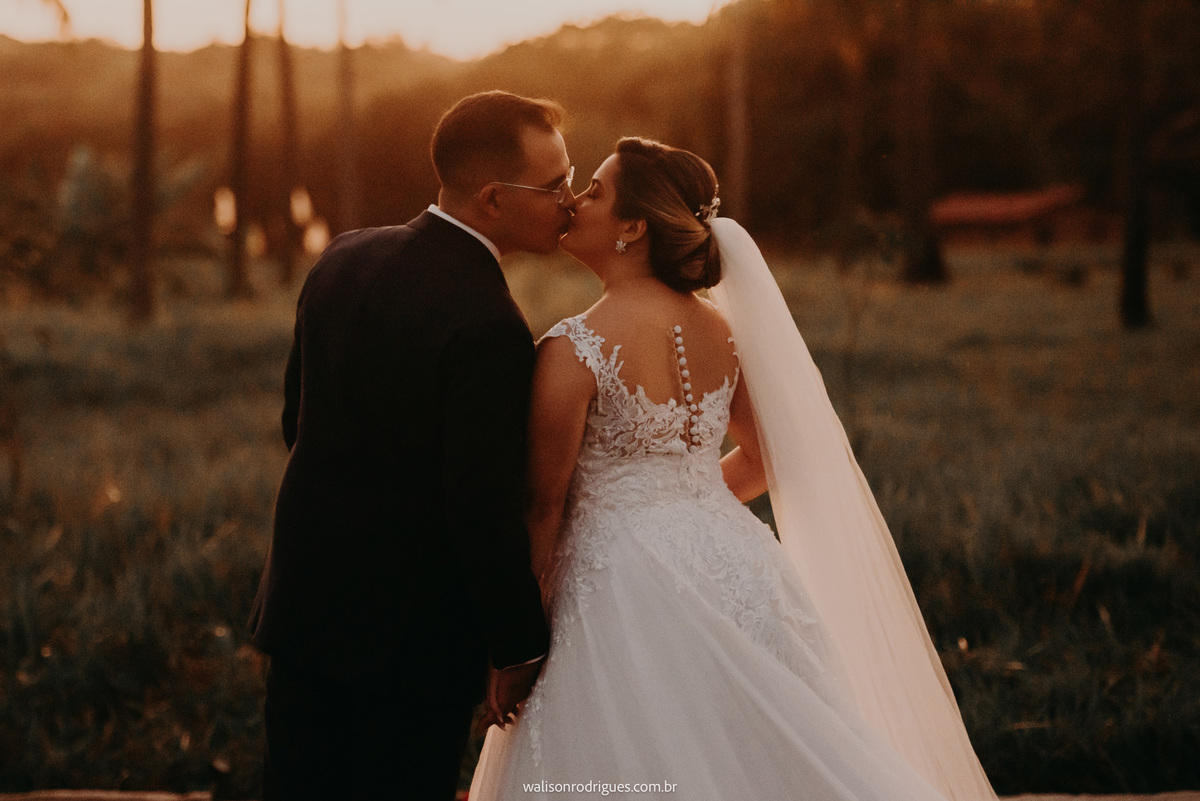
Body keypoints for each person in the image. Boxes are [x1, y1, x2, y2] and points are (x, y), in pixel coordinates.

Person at [468, 138, 999, 801]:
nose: (576, 200)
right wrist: (681, 503)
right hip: (736, 558)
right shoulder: (723, 331)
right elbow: (767, 457)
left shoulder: (572, 348)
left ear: (634, 226)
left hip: (617, 582)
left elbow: (542, 505)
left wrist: (519, 638)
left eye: (596, 191)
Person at [248, 90, 577, 800]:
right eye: (554, 187)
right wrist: (517, 641)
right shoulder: (491, 325)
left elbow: (295, 420)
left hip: (303, 610)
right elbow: (480, 505)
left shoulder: (343, 256)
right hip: (406, 647)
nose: (570, 201)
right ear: (492, 198)